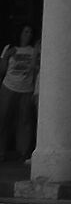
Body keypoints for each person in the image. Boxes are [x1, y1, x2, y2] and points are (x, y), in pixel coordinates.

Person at [0, 25, 39, 162]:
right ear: (20, 33)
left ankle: (23, 151)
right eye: (25, 32)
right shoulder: (9, 48)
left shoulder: (33, 50)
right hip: (9, 86)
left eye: (30, 32)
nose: (27, 35)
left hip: (26, 89)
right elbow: (2, 70)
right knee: (4, 119)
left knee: (25, 120)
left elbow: (35, 69)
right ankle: (1, 151)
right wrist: (6, 56)